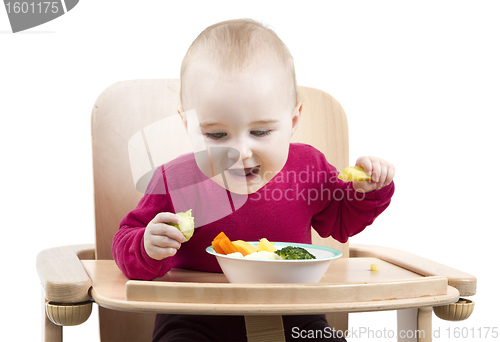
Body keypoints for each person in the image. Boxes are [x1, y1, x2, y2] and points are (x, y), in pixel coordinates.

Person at [113, 18, 395, 341]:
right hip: (196, 320)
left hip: (295, 317)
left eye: (260, 132)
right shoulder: (174, 181)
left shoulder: (309, 168)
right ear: (188, 126)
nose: (240, 152)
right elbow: (124, 240)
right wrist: (147, 246)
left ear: (293, 121)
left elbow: (343, 220)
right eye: (216, 134)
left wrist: (368, 190)